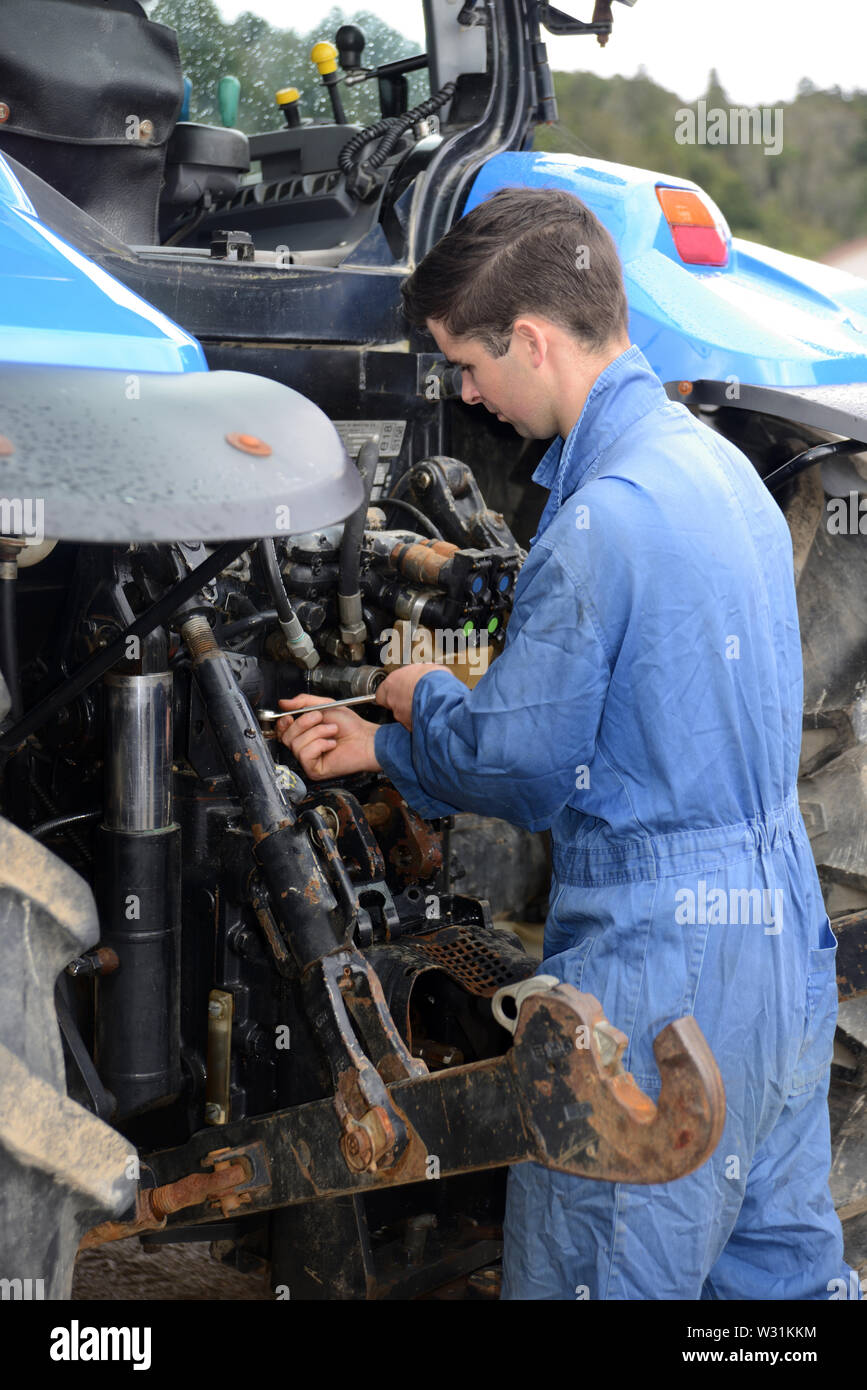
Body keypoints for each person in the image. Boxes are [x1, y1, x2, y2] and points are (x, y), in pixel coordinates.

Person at [276, 186, 856, 1301]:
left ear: (533, 339)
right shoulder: (727, 472)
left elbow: (525, 769)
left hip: (659, 977)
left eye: (468, 363)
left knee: (602, 1271)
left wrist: (412, 708)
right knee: (776, 1281)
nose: (464, 391)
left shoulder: (600, 519)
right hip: (779, 946)